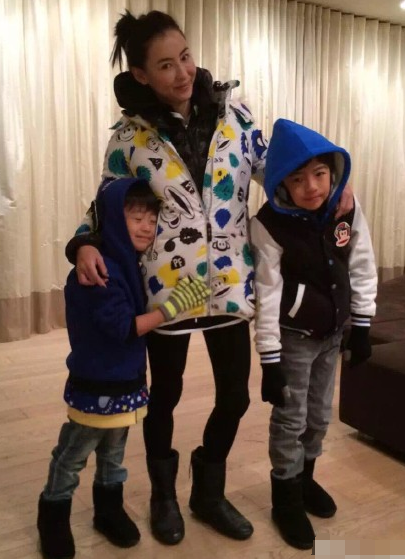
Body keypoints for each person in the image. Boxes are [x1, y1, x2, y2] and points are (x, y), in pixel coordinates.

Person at [65, 9, 354, 545]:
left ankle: (208, 490)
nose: (182, 72)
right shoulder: (129, 138)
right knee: (165, 397)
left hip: (228, 283)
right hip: (167, 293)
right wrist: (83, 243)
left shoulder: (236, 118)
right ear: (141, 75)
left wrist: (332, 183)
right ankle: (163, 496)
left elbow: (279, 170)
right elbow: (105, 204)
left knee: (235, 397)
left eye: (186, 57)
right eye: (165, 65)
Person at [37, 178, 210, 559]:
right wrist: (171, 308)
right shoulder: (99, 269)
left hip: (125, 381)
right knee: (73, 454)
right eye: (136, 218)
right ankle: (52, 514)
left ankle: (108, 510)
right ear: (115, 219)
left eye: (151, 219)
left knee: (114, 454)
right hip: (95, 382)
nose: (147, 227)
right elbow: (122, 328)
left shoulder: (129, 263)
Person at [250, 118, 378, 550]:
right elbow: (267, 294)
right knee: (291, 417)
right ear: (282, 182)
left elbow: (362, 262)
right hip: (293, 338)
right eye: (298, 179)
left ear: (333, 172)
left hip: (332, 334)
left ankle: (305, 479)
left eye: (320, 174)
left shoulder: (345, 207)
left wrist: (362, 324)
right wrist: (269, 359)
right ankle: (285, 496)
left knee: (320, 415)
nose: (312, 187)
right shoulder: (269, 225)